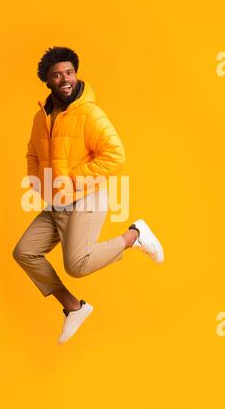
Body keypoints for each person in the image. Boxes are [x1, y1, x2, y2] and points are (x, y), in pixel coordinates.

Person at [13, 46, 164, 344]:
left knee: (77, 265)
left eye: (69, 72)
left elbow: (115, 154)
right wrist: (39, 183)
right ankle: (73, 308)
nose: (65, 79)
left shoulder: (89, 113)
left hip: (86, 197)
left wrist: (72, 180)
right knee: (24, 252)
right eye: (57, 75)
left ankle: (135, 235)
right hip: (56, 201)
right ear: (48, 81)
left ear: (76, 74)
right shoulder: (41, 116)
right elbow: (32, 153)